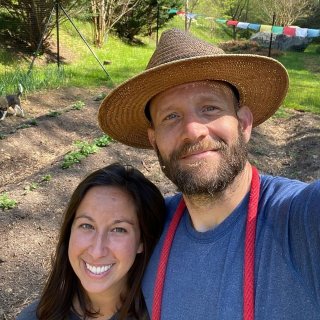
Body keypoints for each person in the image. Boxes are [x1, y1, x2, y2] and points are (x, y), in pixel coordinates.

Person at [98, 28, 320, 320]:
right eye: (171, 116)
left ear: (243, 123)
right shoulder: (148, 229)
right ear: (154, 140)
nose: (192, 130)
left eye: (210, 108)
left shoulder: (300, 220)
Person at [17, 163, 165, 320]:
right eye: (86, 225)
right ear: (70, 231)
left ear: (141, 241)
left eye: (119, 229)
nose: (97, 251)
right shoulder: (34, 316)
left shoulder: (168, 312)